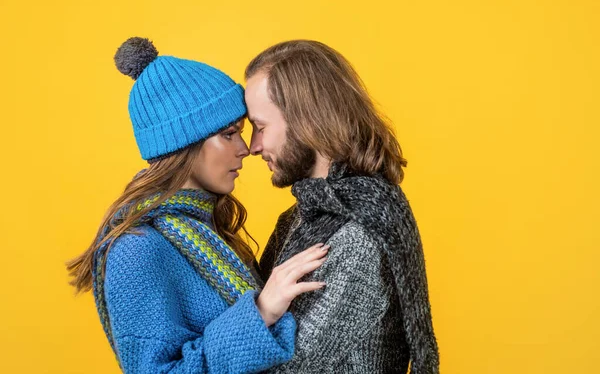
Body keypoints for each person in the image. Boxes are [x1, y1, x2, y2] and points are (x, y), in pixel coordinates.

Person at [66, 37, 329, 373]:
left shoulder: (206, 229)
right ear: (185, 143)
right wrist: (260, 312)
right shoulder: (137, 249)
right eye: (229, 133)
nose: (246, 148)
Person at [244, 40, 440, 373]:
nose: (253, 146)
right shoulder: (303, 217)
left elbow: (284, 369)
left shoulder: (355, 236)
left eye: (261, 127)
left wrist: (255, 315)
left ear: (308, 121)